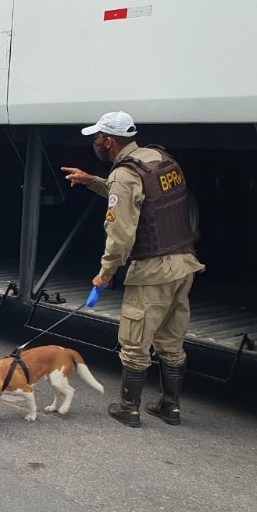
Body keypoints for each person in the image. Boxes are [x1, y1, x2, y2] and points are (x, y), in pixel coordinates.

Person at [61, 111, 204, 427]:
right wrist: (93, 181)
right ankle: (170, 406)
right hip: (184, 263)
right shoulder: (159, 158)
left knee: (135, 342)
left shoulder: (125, 174)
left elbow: (121, 234)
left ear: (108, 141)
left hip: (153, 270)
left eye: (97, 138)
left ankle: (129, 408)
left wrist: (105, 273)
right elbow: (143, 199)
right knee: (171, 340)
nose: (95, 144)